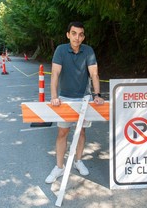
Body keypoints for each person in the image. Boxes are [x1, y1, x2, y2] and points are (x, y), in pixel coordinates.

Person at [45, 21, 104, 184]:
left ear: (83, 36)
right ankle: (59, 167)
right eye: (74, 33)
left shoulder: (88, 51)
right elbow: (55, 74)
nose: (77, 37)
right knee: (62, 133)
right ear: (68, 34)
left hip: (84, 98)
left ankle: (78, 161)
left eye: (80, 34)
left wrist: (97, 94)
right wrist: (54, 96)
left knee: (82, 133)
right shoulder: (60, 50)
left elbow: (94, 74)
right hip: (64, 98)